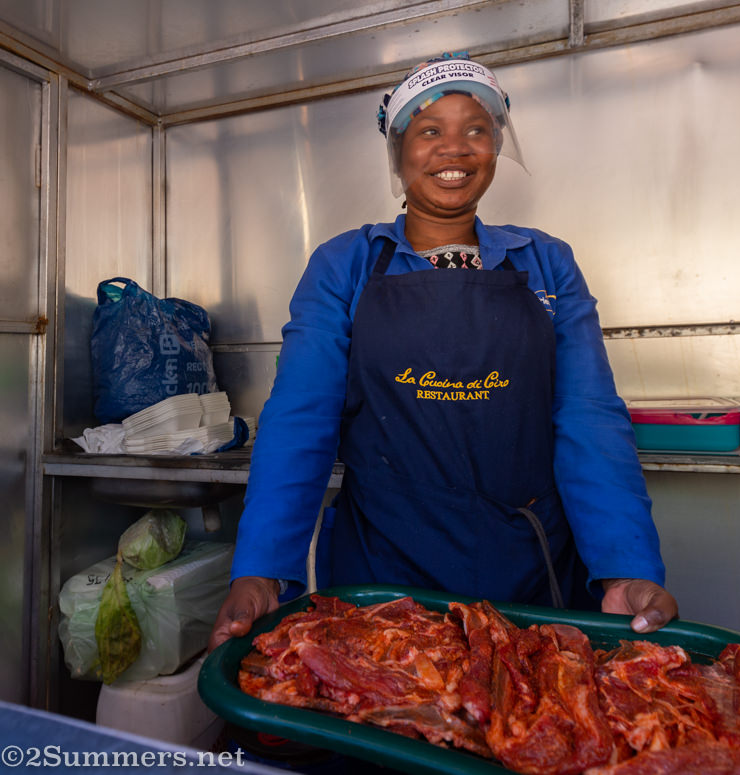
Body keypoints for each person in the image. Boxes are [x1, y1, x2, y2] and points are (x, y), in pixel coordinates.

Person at [209, 52, 677, 652]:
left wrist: (627, 568)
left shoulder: (546, 262)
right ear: (399, 152)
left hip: (531, 563)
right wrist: (262, 568)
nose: (454, 150)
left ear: (494, 149)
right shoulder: (345, 265)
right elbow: (301, 420)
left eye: (475, 130)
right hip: (382, 569)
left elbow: (589, 419)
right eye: (430, 131)